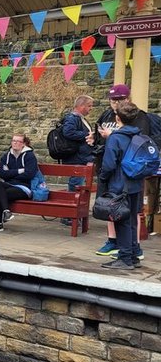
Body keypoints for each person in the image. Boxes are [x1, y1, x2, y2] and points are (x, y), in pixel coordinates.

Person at [93, 84, 149, 258]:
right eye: (112, 99)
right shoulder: (106, 115)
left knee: (131, 211)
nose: (114, 103)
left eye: (118, 99)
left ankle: (134, 246)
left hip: (128, 172)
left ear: (127, 99)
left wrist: (113, 136)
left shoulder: (137, 116)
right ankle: (113, 241)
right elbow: (98, 138)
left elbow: (141, 141)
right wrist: (93, 139)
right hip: (109, 169)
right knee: (109, 206)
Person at [0, 132, 38, 233]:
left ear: (23, 144)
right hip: (9, 185)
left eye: (18, 141)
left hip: (24, 188)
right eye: (13, 141)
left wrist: (10, 174)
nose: (15, 143)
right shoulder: (6, 156)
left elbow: (29, 174)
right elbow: (2, 173)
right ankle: (6, 212)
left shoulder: (29, 156)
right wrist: (19, 171)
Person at [59, 95, 95, 226]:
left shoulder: (80, 119)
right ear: (81, 106)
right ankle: (69, 214)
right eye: (89, 106)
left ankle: (74, 213)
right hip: (76, 158)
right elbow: (68, 132)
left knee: (78, 185)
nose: (91, 108)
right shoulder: (72, 118)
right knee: (75, 185)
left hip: (82, 157)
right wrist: (87, 135)